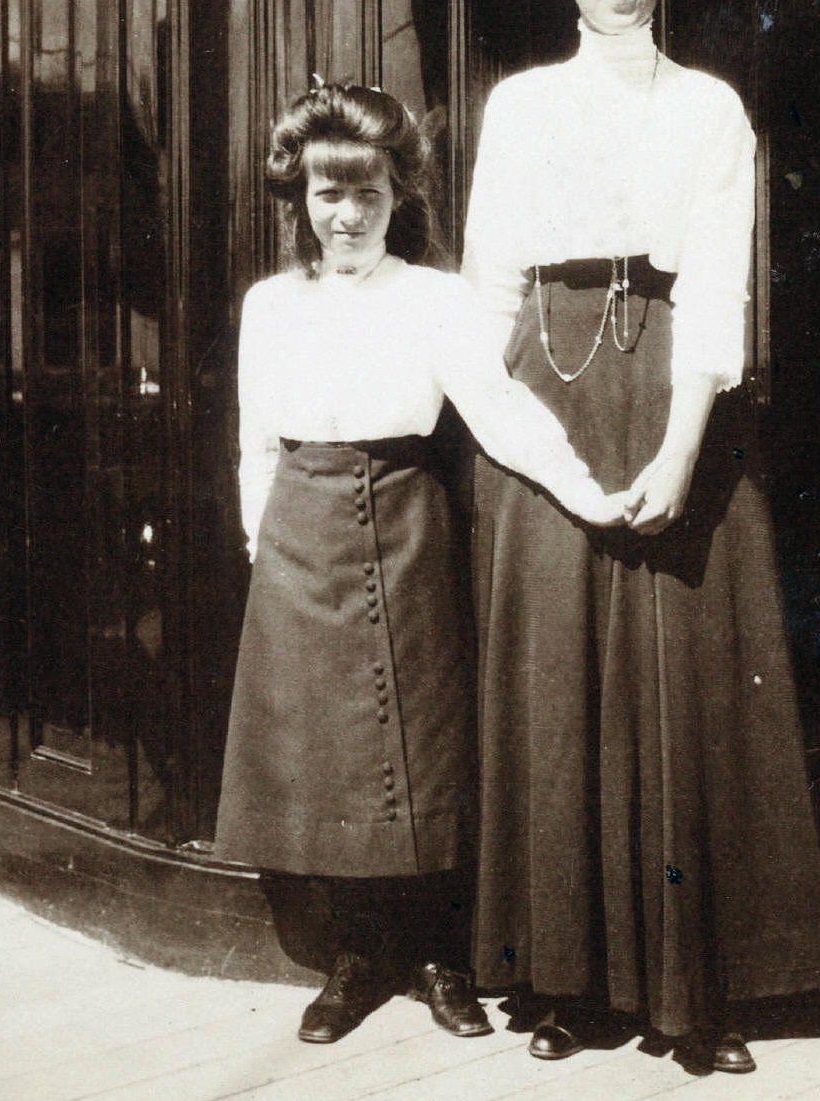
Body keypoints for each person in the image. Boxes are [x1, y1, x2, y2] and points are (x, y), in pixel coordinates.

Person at [461, 0, 820, 1075]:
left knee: (686, 684)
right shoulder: (519, 106)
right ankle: (572, 982)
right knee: (561, 684)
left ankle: (697, 989)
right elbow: (490, 295)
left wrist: (684, 449)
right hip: (549, 394)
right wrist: (551, 462)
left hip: (676, 389)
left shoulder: (709, 107)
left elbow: (719, 290)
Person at [214, 82, 625, 1046]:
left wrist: (588, 490)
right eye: (327, 194)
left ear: (398, 195)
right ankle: (358, 962)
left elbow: (501, 411)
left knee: (429, 745)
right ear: (298, 200)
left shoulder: (436, 298)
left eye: (367, 193)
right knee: (326, 758)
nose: (347, 215)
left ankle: (443, 960)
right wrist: (261, 549)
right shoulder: (267, 305)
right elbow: (254, 448)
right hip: (298, 543)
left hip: (409, 526)